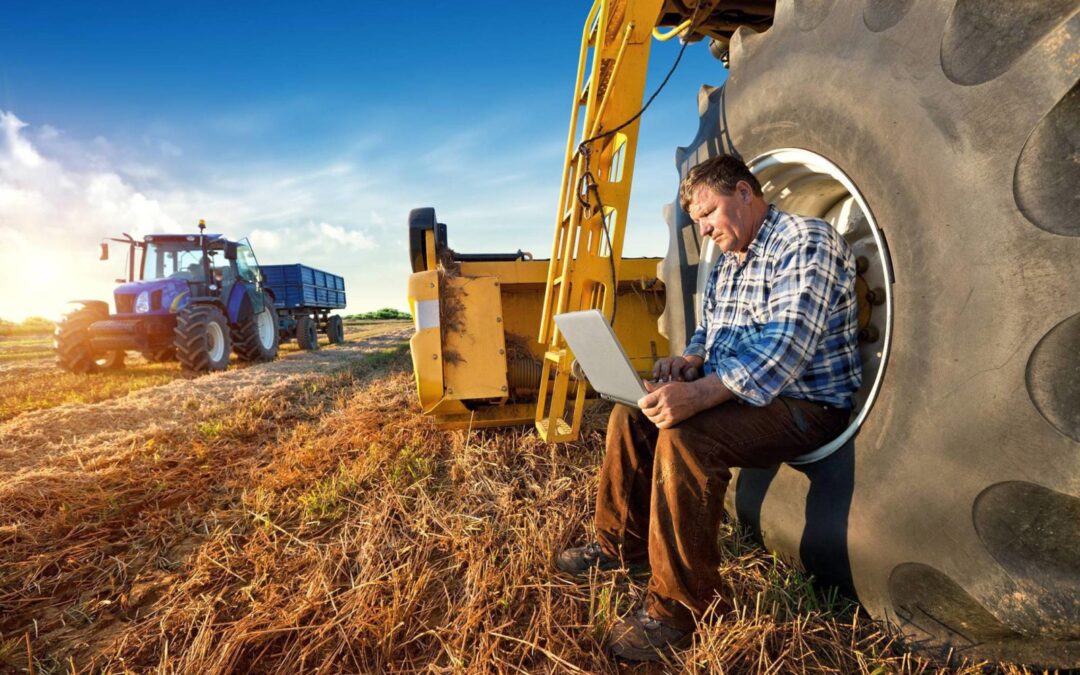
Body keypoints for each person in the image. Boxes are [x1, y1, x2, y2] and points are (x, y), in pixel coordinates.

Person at [555, 154, 862, 661]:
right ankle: (618, 550)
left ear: (745, 192)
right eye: (695, 221)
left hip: (804, 402)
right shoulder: (729, 258)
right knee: (631, 416)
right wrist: (691, 361)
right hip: (743, 394)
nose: (702, 229)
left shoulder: (805, 241)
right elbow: (711, 329)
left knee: (686, 436)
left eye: (708, 213)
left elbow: (786, 347)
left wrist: (698, 396)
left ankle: (681, 609)